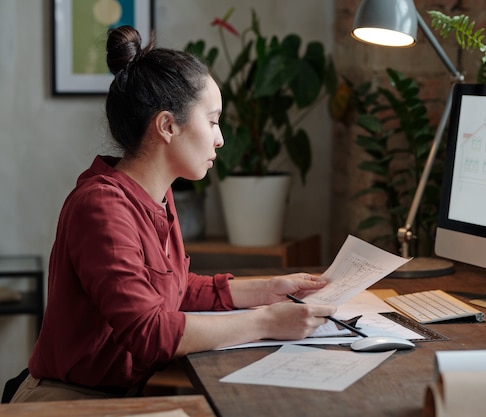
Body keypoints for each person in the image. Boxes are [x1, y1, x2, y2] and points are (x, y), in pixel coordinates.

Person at [9, 25, 335, 402]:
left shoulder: (158, 194)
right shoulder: (101, 207)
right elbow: (148, 332)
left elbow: (172, 289)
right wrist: (265, 322)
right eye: (212, 121)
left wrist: (267, 290)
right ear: (167, 126)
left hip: (116, 398)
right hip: (66, 402)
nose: (220, 138)